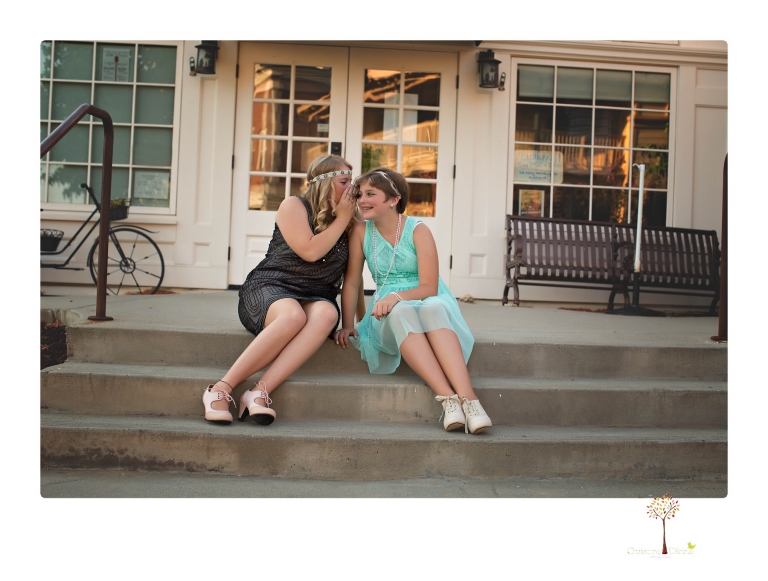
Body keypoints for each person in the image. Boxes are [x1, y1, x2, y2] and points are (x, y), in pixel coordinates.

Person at [202, 154, 365, 425]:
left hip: (316, 295)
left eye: (353, 182)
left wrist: (351, 323)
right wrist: (342, 219)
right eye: (344, 182)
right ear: (323, 184)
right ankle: (220, 389)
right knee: (293, 316)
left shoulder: (354, 220)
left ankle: (258, 393)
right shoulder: (294, 205)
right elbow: (310, 251)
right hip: (272, 286)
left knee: (326, 315)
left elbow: (353, 278)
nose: (352, 190)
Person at [334, 168, 492, 434]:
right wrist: (347, 323)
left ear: (394, 199)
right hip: (390, 312)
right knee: (399, 313)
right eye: (360, 194)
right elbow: (351, 282)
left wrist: (397, 296)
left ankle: (471, 401)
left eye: (371, 193)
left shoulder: (418, 231)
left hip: (425, 298)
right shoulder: (361, 232)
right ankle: (448, 400)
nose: (361, 200)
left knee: (434, 307)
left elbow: (429, 286)